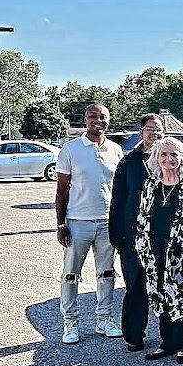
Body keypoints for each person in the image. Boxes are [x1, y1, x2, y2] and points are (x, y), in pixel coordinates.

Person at [134, 136, 183, 364]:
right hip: (154, 248)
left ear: (182, 158)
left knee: (181, 294)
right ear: (157, 158)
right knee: (159, 292)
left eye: (174, 155)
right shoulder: (150, 185)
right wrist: (141, 246)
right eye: (164, 155)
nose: (169, 159)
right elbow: (141, 217)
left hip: (182, 251)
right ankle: (166, 342)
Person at [56, 102, 124, 344]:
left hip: (107, 222)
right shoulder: (71, 149)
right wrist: (60, 224)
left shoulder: (116, 150)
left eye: (103, 116)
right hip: (77, 222)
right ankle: (70, 323)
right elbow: (62, 190)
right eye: (93, 116)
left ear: (108, 120)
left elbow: (120, 189)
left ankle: (103, 319)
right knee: (71, 274)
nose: (98, 120)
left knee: (106, 274)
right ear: (85, 120)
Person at [109, 113, 164, 350]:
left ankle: (175, 336)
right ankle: (134, 335)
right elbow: (117, 201)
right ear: (141, 132)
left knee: (166, 285)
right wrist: (117, 236)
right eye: (150, 129)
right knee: (135, 286)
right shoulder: (129, 162)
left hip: (163, 236)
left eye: (159, 130)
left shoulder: (170, 159)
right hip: (132, 237)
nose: (154, 134)